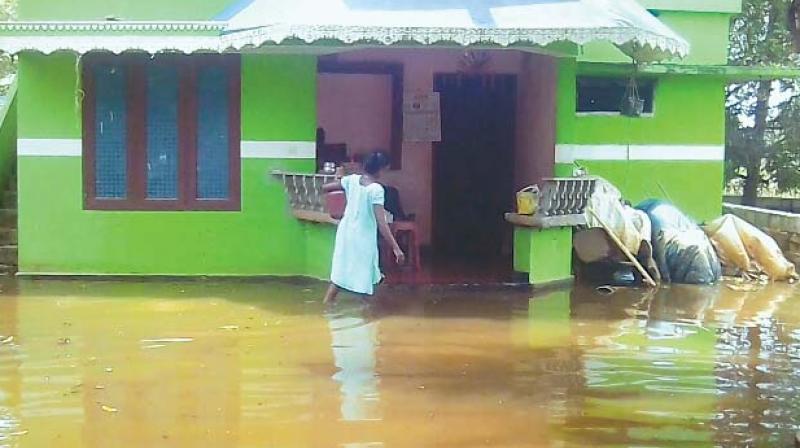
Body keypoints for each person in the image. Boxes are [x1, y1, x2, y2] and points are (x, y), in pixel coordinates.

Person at [322, 151, 405, 304]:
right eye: (385, 169)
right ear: (380, 169)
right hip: (363, 237)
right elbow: (381, 222)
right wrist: (396, 247)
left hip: (346, 233)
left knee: (341, 275)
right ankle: (368, 316)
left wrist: (338, 177)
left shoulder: (351, 180)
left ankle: (328, 307)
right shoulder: (376, 189)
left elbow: (326, 187)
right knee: (365, 276)